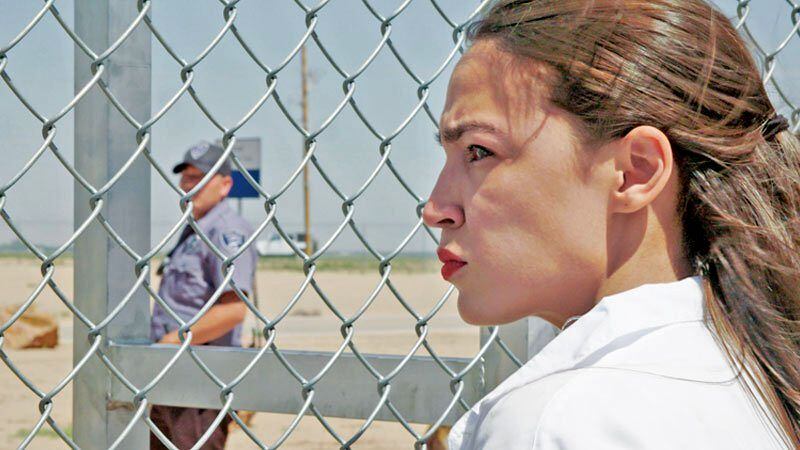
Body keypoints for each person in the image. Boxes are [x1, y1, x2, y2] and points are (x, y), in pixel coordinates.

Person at [422, 1, 800, 448]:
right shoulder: (757, 381)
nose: (435, 208)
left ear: (635, 171)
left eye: (478, 152)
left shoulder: (555, 422)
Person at [150, 141, 257, 450]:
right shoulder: (192, 231)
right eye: (186, 177)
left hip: (200, 381)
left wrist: (172, 341)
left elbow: (233, 310)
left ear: (225, 185)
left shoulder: (226, 231)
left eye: (200, 177)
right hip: (169, 373)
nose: (189, 185)